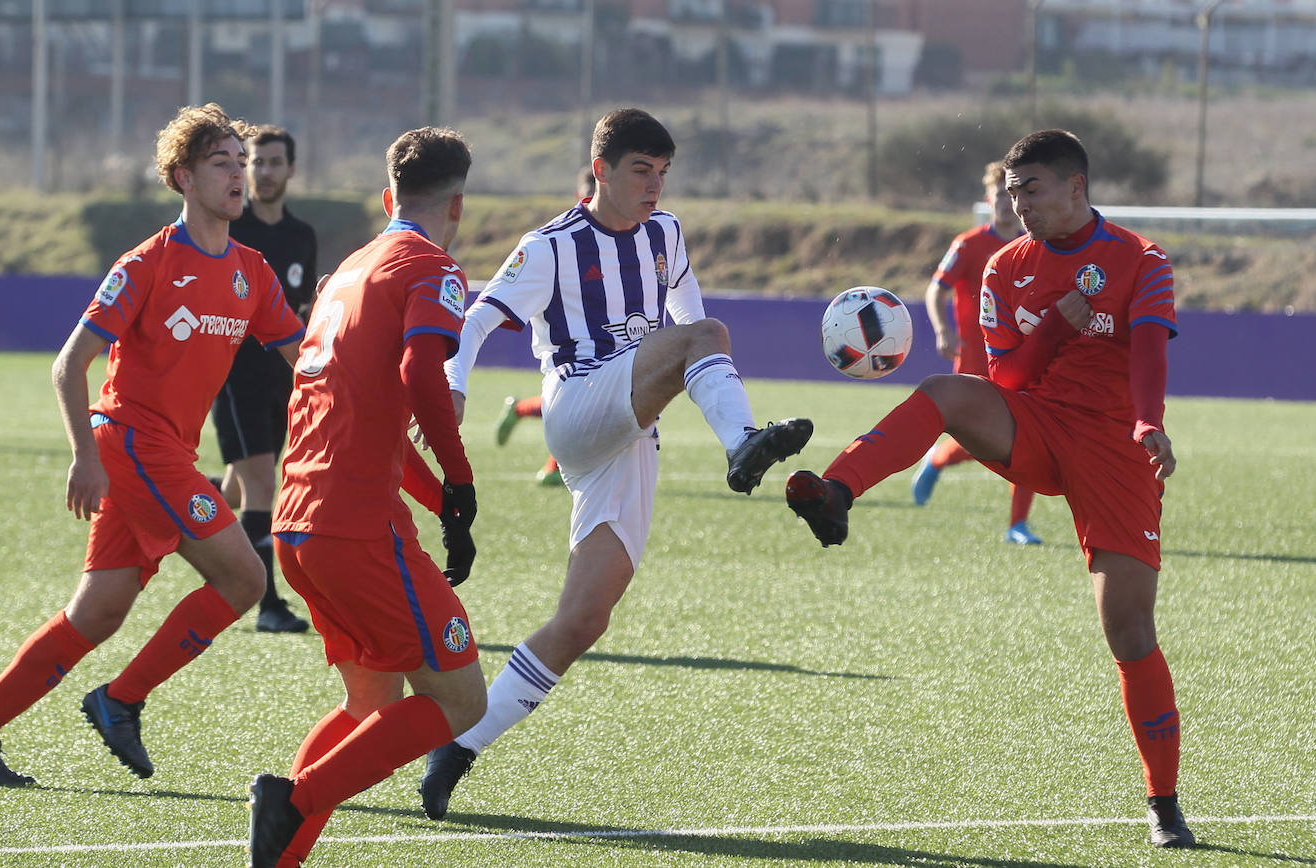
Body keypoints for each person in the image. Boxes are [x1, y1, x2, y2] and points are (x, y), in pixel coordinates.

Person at [785, 129, 1193, 848]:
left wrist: (1147, 423)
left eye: (1030, 189)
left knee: (1129, 633)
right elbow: (1008, 380)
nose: (1018, 204)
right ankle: (839, 492)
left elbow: (1150, 354)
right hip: (1034, 424)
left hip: (1114, 450)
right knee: (946, 389)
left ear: (1076, 186)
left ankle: (1163, 803)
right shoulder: (1006, 268)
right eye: (1011, 192)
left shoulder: (1141, 260)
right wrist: (1057, 331)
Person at [418, 107, 812, 819]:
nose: (654, 186)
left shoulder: (666, 234)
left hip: (629, 431)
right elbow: (476, 319)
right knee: (708, 335)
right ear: (599, 170)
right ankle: (742, 446)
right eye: (640, 171)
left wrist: (705, 369)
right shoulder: (551, 246)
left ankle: (459, 747)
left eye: (662, 173)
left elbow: (690, 320)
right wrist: (451, 389)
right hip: (576, 403)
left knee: (584, 619)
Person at [0, 103, 305, 786]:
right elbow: (68, 363)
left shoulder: (251, 271)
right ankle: (120, 700)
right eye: (221, 163)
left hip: (160, 455)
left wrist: (365, 383)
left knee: (98, 613)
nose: (238, 174)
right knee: (246, 578)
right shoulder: (147, 263)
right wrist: (84, 455)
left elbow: (302, 358)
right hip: (133, 447)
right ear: (184, 179)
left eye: (240, 161)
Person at [245, 127, 486, 868]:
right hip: (356, 529)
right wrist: (461, 480)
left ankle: (276, 858)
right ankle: (292, 803)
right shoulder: (432, 268)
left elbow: (367, 419)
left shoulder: (347, 271)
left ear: (389, 198)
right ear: (459, 206)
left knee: (370, 703)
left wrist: (438, 497)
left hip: (296, 523)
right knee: (460, 702)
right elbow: (421, 374)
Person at [210, 124, 318, 633]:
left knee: (233, 490)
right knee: (260, 484)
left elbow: (304, 313)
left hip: (283, 381)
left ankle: (162, 498)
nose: (265, 171)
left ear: (291, 169)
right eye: (257, 162)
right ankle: (268, 605)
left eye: (275, 162)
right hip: (235, 377)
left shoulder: (301, 236)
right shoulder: (231, 230)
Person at [912, 160, 1041, 545]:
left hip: (1021, 362)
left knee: (1029, 438)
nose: (1005, 202)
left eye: (1011, 194)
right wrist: (942, 329)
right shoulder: (967, 244)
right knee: (980, 439)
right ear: (989, 199)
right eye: (999, 195)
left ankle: (1017, 524)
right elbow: (936, 288)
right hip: (974, 362)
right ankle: (938, 459)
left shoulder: (1035, 245)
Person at [493, 165, 596, 487]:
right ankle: (554, 462)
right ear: (579, 196)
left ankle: (525, 418)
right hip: (569, 335)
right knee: (577, 399)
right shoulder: (560, 237)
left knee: (589, 402)